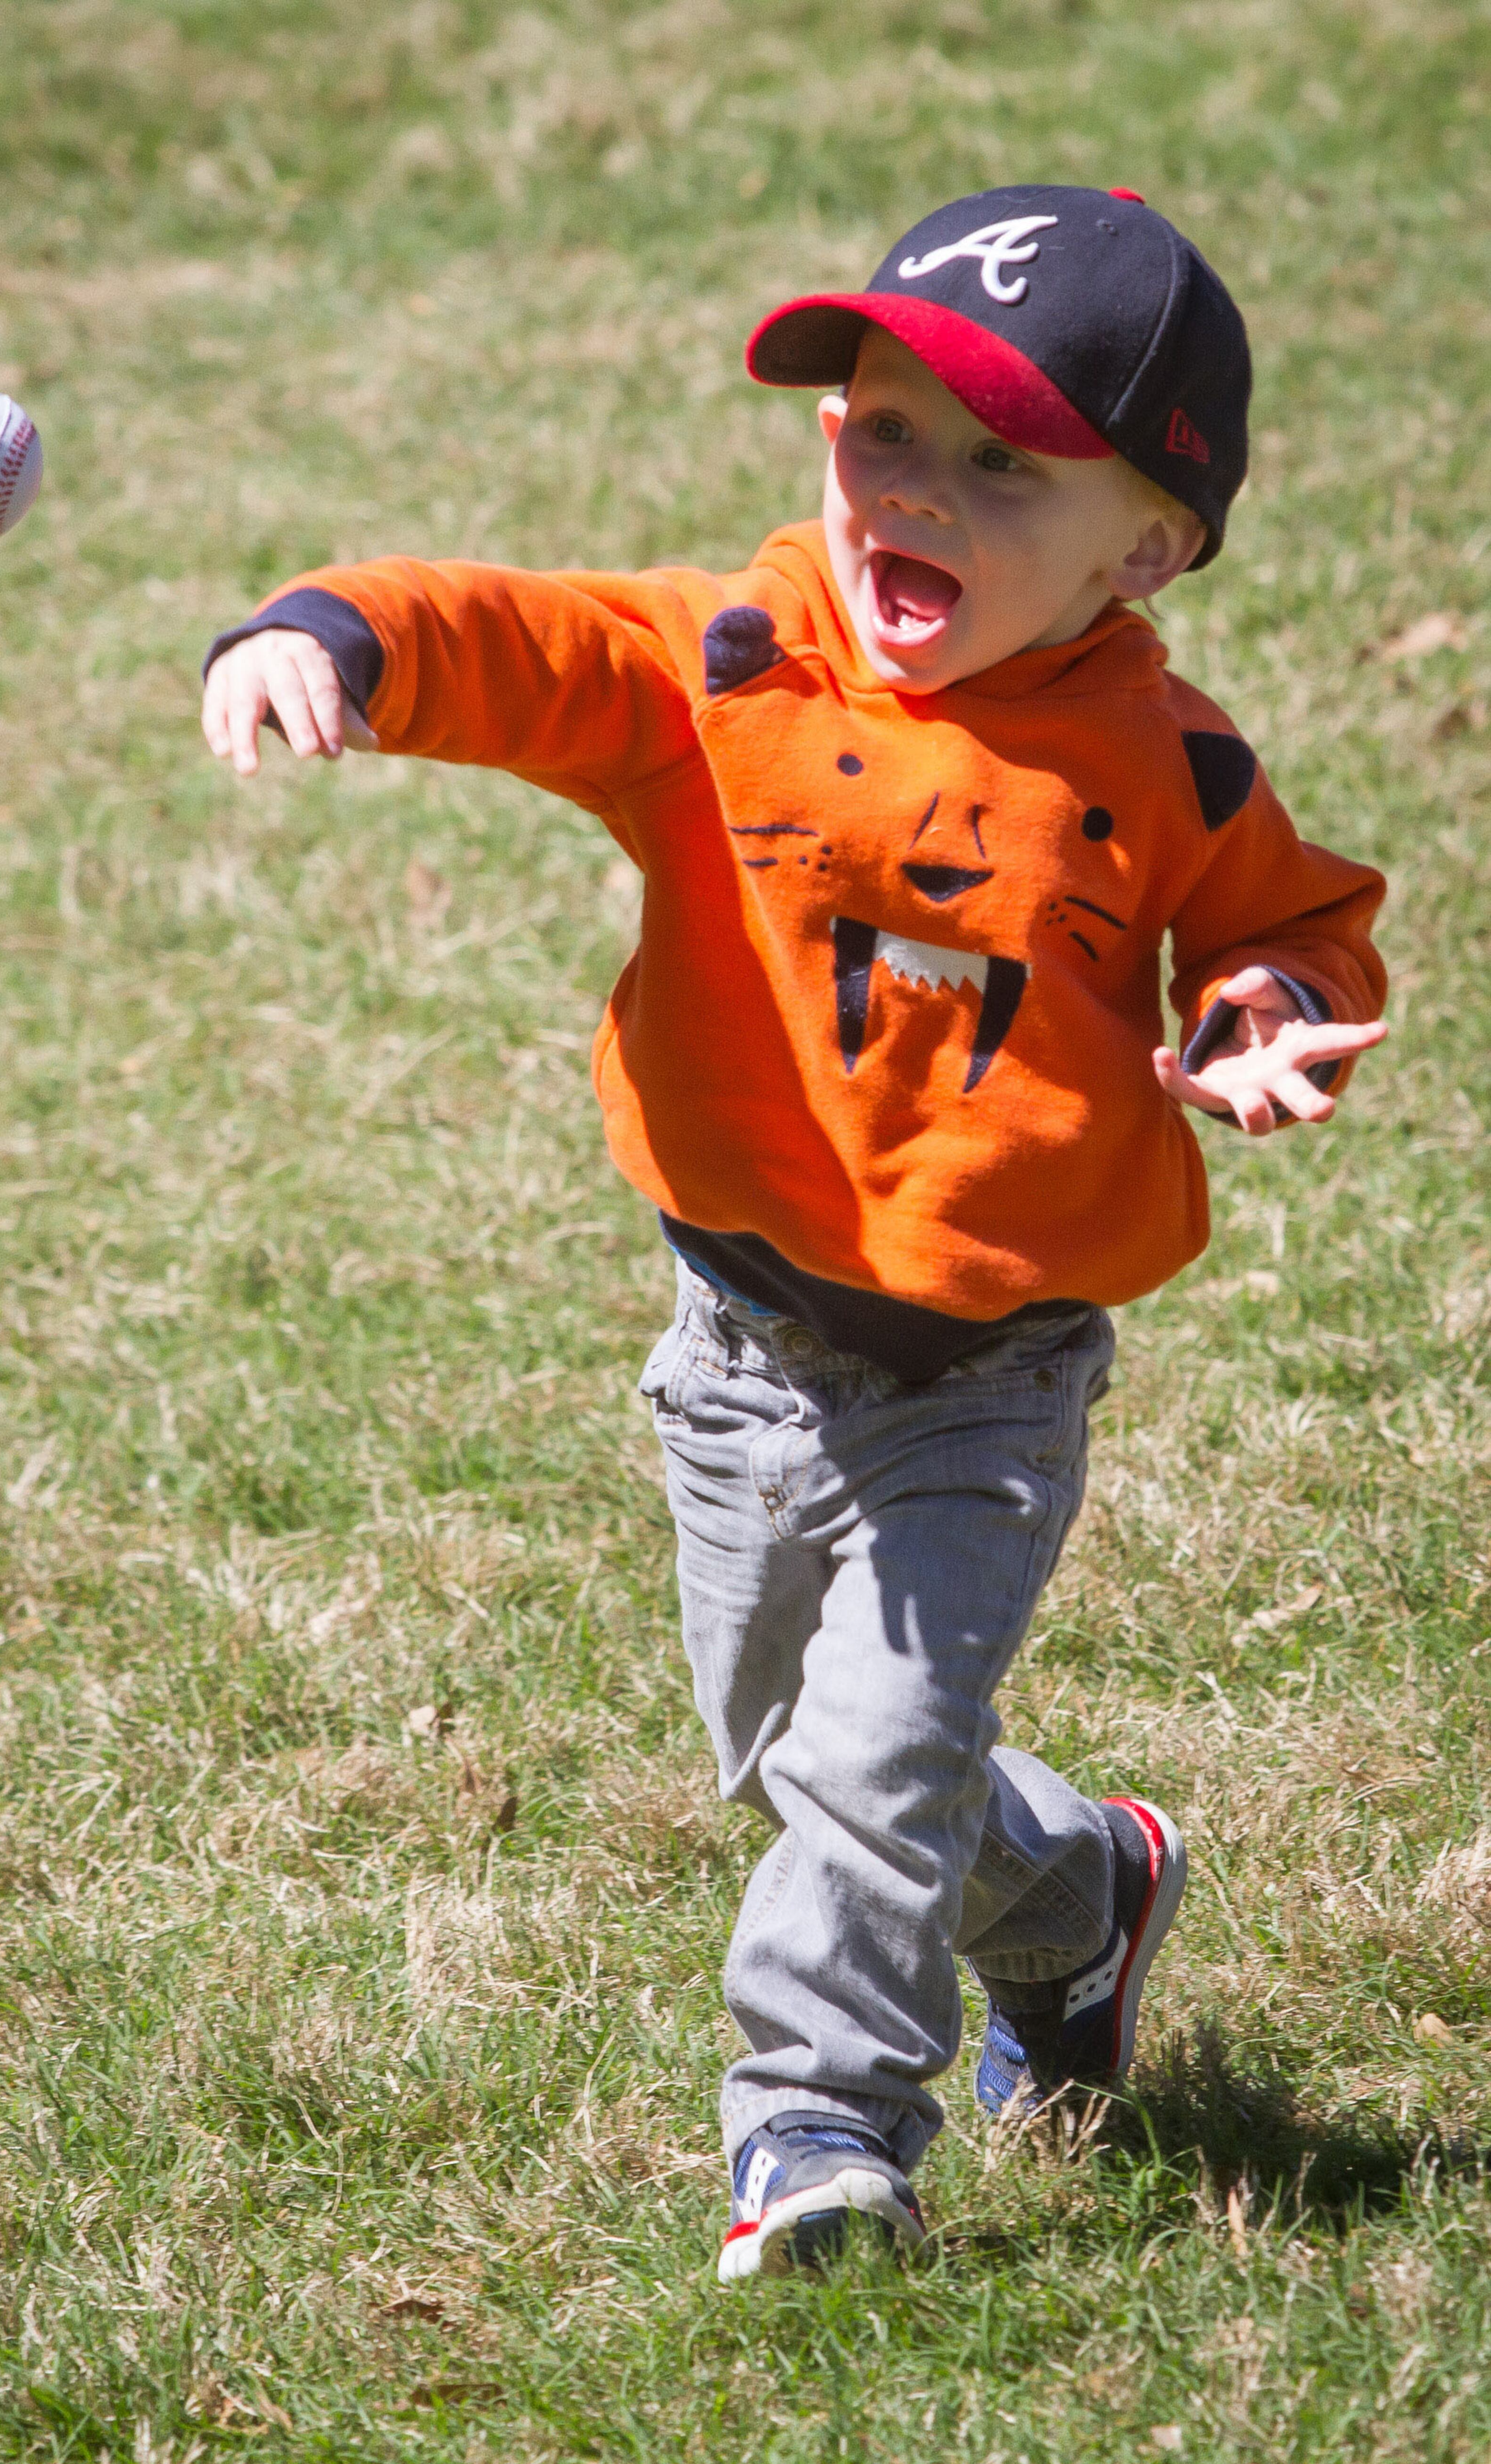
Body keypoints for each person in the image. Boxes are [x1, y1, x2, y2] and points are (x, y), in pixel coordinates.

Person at [199, 185, 1387, 2284]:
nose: (910, 489)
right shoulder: (728, 664)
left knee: (866, 1763)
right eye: (883, 428)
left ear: (1145, 544)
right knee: (789, 1752)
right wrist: (334, 635)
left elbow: (1281, 921)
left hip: (990, 1383)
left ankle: (824, 2131)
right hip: (740, 1352)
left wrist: (1255, 1014)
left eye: (1002, 463)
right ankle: (1085, 1889)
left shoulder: (1167, 757)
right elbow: (518, 634)